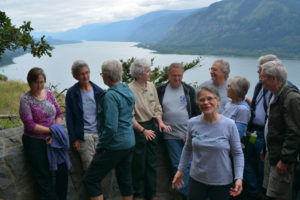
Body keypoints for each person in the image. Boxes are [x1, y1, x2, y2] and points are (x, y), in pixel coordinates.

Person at [172, 85, 244, 200]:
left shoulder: (229, 124)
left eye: (210, 98)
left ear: (218, 101)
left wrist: (239, 178)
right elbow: (188, 148)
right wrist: (180, 170)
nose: (206, 102)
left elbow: (237, 153)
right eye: (202, 100)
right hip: (196, 179)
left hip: (222, 181)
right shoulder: (192, 123)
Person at [83, 60, 135, 200]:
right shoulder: (127, 89)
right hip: (129, 142)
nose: (101, 77)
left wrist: (99, 148)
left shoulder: (111, 96)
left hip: (115, 145)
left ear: (106, 75)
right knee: (125, 179)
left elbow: (111, 128)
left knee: (90, 179)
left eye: (101, 74)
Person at [19, 67, 69, 200]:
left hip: (53, 138)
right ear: (30, 82)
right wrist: (51, 131)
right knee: (44, 177)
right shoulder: (25, 100)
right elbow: (30, 125)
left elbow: (58, 113)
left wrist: (55, 131)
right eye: (36, 82)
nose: (39, 85)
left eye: (42, 82)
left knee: (62, 171)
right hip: (35, 142)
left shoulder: (50, 94)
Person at [129, 58, 172, 200]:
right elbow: (130, 116)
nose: (150, 73)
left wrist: (160, 122)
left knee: (151, 164)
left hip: (152, 128)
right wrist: (142, 130)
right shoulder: (130, 90)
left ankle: (152, 195)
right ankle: (139, 196)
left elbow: (157, 107)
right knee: (139, 166)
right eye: (148, 71)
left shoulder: (152, 86)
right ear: (139, 73)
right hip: (138, 130)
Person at [156, 62, 200, 199]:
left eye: (179, 75)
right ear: (168, 75)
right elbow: (155, 110)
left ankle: (183, 192)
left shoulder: (188, 90)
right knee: (177, 164)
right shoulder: (161, 90)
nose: (177, 78)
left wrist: (192, 133)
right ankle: (186, 194)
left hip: (187, 135)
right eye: (174, 75)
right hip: (170, 135)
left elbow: (196, 113)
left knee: (190, 164)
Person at [260, 60, 300, 200]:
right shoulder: (274, 94)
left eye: (263, 76)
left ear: (274, 78)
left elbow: (295, 132)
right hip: (273, 153)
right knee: (271, 192)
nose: (260, 79)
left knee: (279, 195)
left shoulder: (291, 98)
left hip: (281, 158)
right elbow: (271, 126)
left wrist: (285, 160)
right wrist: (265, 149)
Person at [245, 54, 276, 199]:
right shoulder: (259, 85)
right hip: (254, 133)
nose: (258, 71)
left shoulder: (281, 89)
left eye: (260, 68)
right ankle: (254, 190)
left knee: (262, 166)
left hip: (264, 136)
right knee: (246, 159)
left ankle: (260, 194)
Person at [65, 60, 104, 171]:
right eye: (82, 74)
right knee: (90, 170)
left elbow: (104, 116)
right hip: (84, 136)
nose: (85, 76)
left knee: (101, 168)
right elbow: (69, 118)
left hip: (99, 134)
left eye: (87, 72)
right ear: (75, 76)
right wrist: (74, 140)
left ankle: (100, 189)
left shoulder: (99, 91)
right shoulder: (72, 93)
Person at [223, 76, 251, 140]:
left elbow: (238, 134)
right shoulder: (229, 103)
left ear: (236, 90)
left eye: (229, 86)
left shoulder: (242, 109)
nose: (226, 88)